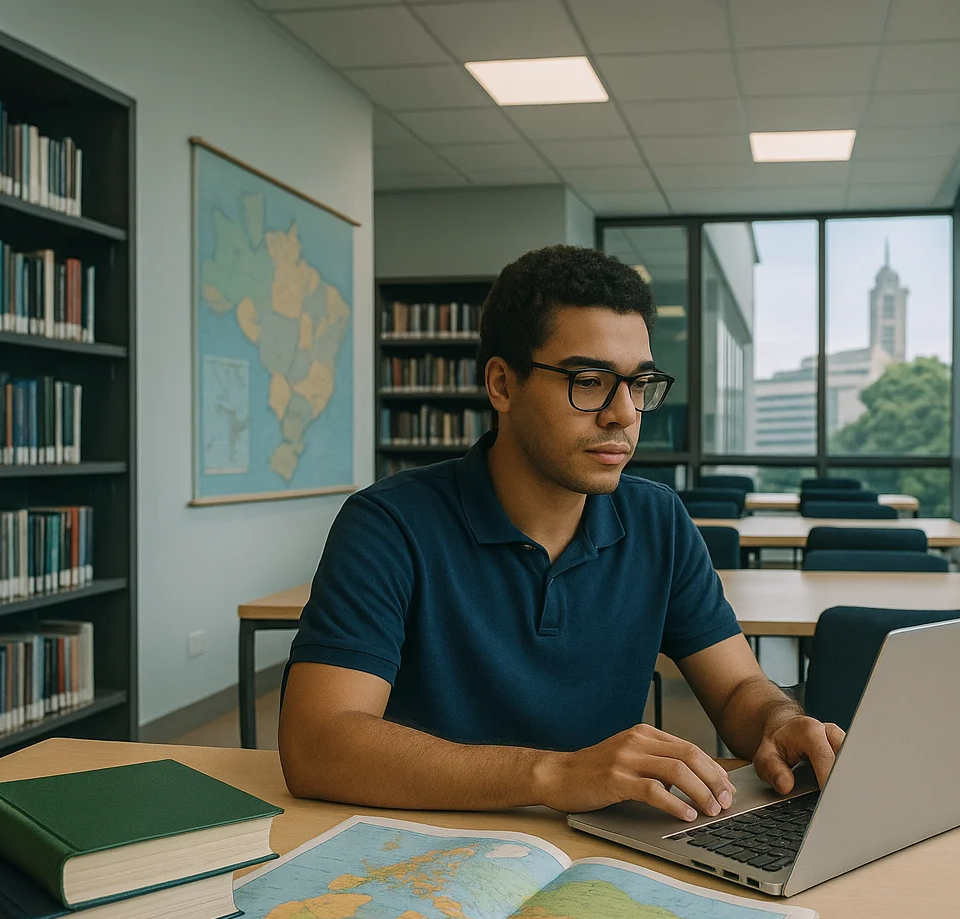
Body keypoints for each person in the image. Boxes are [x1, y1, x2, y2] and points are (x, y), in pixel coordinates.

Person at [280, 245, 844, 822]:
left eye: (639, 383)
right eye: (590, 381)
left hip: (599, 847)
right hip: (422, 846)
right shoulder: (386, 525)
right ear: (502, 385)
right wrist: (554, 774)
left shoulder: (659, 520)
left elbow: (736, 689)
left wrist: (778, 721)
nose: (624, 413)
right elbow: (318, 744)